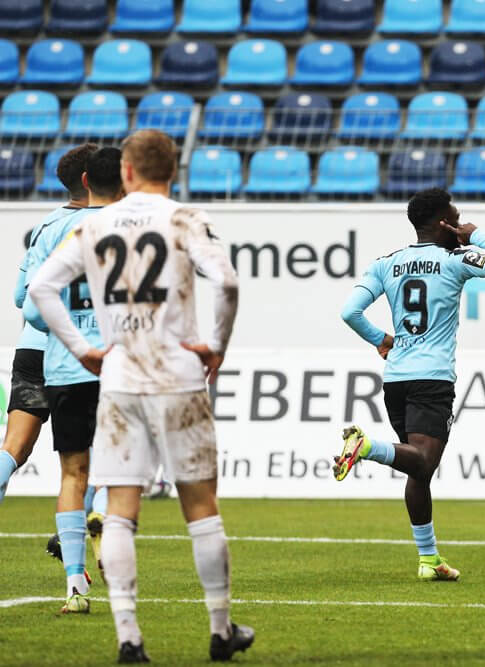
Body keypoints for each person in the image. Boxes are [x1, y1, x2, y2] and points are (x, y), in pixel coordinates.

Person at [29, 129, 249, 664]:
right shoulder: (183, 218)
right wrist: (215, 345)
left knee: (121, 511)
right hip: (178, 376)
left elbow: (41, 289)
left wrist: (82, 349)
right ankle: (220, 630)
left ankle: (129, 638)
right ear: (172, 171)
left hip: (121, 378)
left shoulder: (93, 223)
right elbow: (226, 280)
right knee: (201, 508)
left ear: (125, 172)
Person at [335, 188, 485, 581]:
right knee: (423, 460)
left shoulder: (387, 263)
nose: (459, 220)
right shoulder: (455, 259)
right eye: (455, 215)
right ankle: (366, 446)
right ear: (445, 222)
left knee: (418, 471)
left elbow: (349, 311)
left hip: (396, 380)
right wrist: (475, 234)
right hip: (432, 378)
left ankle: (428, 559)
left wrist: (380, 340)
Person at [21, 146, 122, 613]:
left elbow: (30, 307)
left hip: (64, 365)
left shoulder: (53, 230)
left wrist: (71, 333)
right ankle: (103, 515)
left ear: (82, 181)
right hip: (119, 363)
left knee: (71, 472)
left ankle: (74, 589)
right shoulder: (133, 230)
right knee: (122, 463)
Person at [0, 143, 96, 505]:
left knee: (14, 448)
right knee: (85, 459)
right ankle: (76, 542)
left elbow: (21, 297)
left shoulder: (46, 224)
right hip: (76, 351)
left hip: (32, 348)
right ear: (94, 178)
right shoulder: (102, 224)